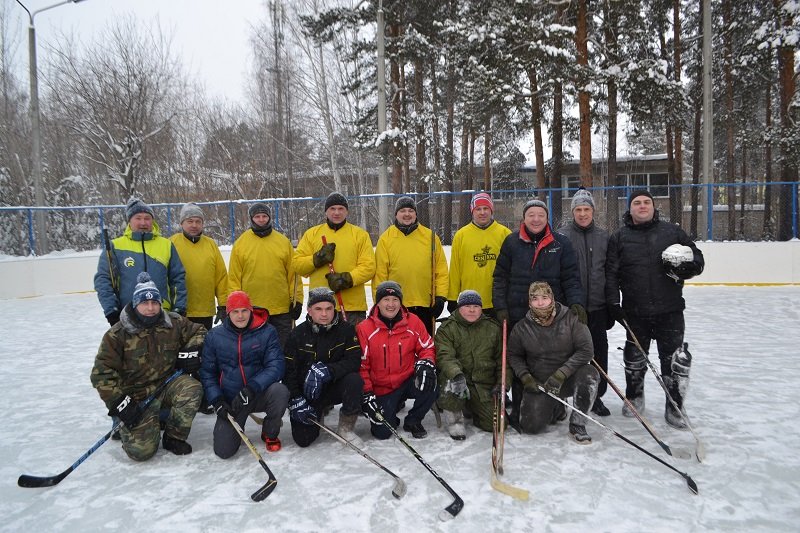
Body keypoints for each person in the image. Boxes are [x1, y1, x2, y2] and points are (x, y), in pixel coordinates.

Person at [605, 189, 704, 428]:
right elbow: (611, 273)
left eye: (646, 202)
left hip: (669, 310)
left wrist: (690, 268)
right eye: (636, 203)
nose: (641, 206)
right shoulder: (619, 237)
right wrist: (613, 303)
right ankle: (634, 397)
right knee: (635, 358)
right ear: (629, 208)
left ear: (653, 206)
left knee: (675, 361)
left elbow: (697, 258)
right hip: (635, 311)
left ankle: (675, 406)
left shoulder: (672, 232)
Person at [90, 272, 206, 461]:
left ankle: (173, 437)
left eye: (155, 303)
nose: (151, 308)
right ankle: (136, 424)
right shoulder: (116, 335)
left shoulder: (174, 322)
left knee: (192, 388)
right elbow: (101, 375)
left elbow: (199, 331)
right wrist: (120, 403)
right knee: (141, 453)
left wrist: (191, 350)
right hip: (135, 395)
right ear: (136, 304)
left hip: (167, 385)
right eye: (145, 303)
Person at [492, 198, 585, 424]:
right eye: (531, 215)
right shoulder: (512, 242)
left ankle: (555, 401)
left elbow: (571, 277)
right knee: (520, 357)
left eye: (540, 215)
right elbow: (500, 277)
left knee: (549, 357)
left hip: (550, 313)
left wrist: (575, 302)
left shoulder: (560, 243)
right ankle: (520, 403)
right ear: (524, 218)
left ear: (547, 218)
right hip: (517, 312)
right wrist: (501, 306)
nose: (536, 219)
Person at [506, 281, 598, 443]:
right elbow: (514, 355)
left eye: (544, 297)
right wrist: (525, 376)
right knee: (530, 427)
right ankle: (557, 406)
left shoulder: (572, 319)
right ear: (529, 302)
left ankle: (577, 424)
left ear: (552, 298)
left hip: (568, 379)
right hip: (542, 383)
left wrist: (561, 374)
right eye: (535, 299)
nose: (540, 303)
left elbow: (586, 351)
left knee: (589, 374)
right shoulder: (522, 327)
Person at [200, 290, 289, 455]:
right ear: (228, 313)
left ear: (251, 311)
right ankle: (235, 429)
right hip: (232, 400)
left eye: (244, 311)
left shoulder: (267, 331)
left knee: (280, 391)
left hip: (257, 392)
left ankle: (269, 431)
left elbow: (276, 365)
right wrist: (218, 400)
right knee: (224, 451)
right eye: (235, 311)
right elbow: (208, 373)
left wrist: (252, 387)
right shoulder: (214, 336)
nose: (240, 316)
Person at [283, 287, 365, 447]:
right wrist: (296, 399)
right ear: (309, 310)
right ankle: (316, 413)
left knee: (354, 380)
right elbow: (288, 370)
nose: (324, 314)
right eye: (318, 309)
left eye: (328, 309)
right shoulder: (297, 334)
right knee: (303, 440)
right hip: (309, 391)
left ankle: (346, 427)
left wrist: (329, 371)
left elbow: (354, 361)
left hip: (334, 386)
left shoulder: (346, 329)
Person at [357, 281, 437, 439]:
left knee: (431, 380)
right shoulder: (364, 328)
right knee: (382, 432)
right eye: (386, 300)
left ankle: (413, 420)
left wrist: (427, 363)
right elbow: (362, 366)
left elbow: (427, 346)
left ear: (400, 302)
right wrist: (367, 394)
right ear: (378, 302)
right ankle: (391, 412)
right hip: (382, 388)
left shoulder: (413, 321)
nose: (391, 304)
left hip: (407, 379)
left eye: (395, 300)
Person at [559, 188, 612, 416]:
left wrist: (611, 304)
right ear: (572, 212)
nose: (582, 214)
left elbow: (610, 273)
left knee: (599, 352)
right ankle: (567, 395)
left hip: (598, 307)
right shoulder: (561, 236)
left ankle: (596, 396)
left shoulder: (604, 237)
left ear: (593, 210)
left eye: (586, 209)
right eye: (578, 209)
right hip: (571, 309)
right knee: (571, 353)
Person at [95, 197, 187, 325]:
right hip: (127, 314)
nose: (143, 222)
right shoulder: (115, 246)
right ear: (129, 221)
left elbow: (178, 279)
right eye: (138, 218)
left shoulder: (166, 245)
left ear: (152, 221)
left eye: (147, 218)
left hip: (162, 314)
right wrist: (111, 310)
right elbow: (103, 280)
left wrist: (179, 308)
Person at [293, 192, 376, 325]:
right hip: (320, 307)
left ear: (347, 211)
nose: (336, 212)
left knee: (352, 345)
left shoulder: (360, 235)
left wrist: (347, 279)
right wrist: (316, 259)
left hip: (352, 307)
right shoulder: (312, 234)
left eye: (341, 208)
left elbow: (369, 266)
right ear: (326, 211)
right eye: (332, 209)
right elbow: (297, 265)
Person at [228, 202, 303, 346]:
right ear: (251, 218)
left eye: (264, 216)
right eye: (257, 216)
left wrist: (297, 300)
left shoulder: (282, 241)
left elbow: (294, 275)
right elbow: (234, 278)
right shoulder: (241, 244)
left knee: (283, 348)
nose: (261, 220)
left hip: (281, 309)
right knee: (255, 349)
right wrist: (234, 304)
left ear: (269, 218)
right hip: (252, 309)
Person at [434, 290, 505, 440]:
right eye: (467, 306)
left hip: (482, 383)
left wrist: (502, 383)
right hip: (458, 379)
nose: (472, 310)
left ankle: (472, 406)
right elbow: (445, 357)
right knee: (449, 380)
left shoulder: (492, 328)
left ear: (481, 308)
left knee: (498, 425)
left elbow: (502, 361)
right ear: (459, 307)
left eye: (475, 306)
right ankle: (455, 420)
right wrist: (457, 375)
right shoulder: (447, 328)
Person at [373, 196, 448, 335]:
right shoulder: (386, 239)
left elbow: (441, 271)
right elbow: (380, 275)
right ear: (396, 214)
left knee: (424, 347)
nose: (407, 214)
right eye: (402, 211)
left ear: (415, 214)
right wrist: (379, 301)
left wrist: (441, 297)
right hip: (396, 305)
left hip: (425, 304)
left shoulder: (430, 237)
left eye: (410, 211)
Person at [447, 192, 511, 319]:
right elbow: (455, 269)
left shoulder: (505, 233)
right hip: (470, 302)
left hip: (497, 302)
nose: (482, 212)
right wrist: (452, 298)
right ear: (472, 211)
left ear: (491, 210)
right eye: (478, 209)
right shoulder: (461, 235)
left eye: (486, 208)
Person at [169, 202, 228, 331]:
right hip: (179, 310)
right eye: (190, 221)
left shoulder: (210, 244)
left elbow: (221, 277)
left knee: (203, 348)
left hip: (204, 311)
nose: (194, 225)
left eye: (198, 221)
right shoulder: (171, 243)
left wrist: (223, 305)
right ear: (181, 223)